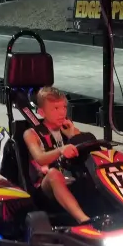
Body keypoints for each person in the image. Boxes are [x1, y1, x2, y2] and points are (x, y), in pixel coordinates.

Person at [23, 87, 91, 224]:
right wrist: (60, 150)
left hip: (71, 180)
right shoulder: (31, 134)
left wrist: (72, 136)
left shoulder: (68, 128)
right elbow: (40, 159)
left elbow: (89, 149)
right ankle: (84, 220)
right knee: (54, 174)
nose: (62, 113)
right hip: (45, 187)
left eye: (64, 107)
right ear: (42, 112)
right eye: (55, 109)